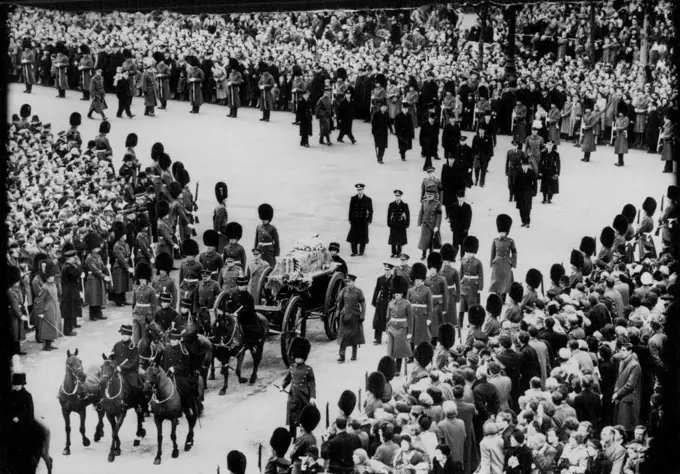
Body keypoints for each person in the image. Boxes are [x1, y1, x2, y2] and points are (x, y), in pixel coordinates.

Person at [280, 337, 316, 439]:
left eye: (299, 358)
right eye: (296, 358)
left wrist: (313, 397)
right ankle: (293, 437)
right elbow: (287, 379)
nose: (297, 360)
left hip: (303, 396)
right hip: (292, 396)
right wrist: (282, 386)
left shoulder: (308, 369)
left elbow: (312, 384)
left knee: (302, 417)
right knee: (292, 417)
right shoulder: (291, 367)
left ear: (304, 358)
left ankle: (304, 436)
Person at [612, 343, 642, 438]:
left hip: (629, 399)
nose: (621, 352)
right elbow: (618, 378)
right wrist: (616, 391)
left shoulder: (635, 365)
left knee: (627, 426)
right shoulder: (622, 362)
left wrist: (618, 394)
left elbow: (630, 384)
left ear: (630, 351)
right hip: (621, 397)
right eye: (621, 350)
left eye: (624, 350)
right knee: (620, 426)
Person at [335, 275, 366, 363]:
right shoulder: (343, 291)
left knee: (354, 336)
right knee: (343, 336)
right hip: (344, 316)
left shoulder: (358, 292)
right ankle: (342, 356)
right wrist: (338, 313)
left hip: (354, 317)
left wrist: (362, 316)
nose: (348, 283)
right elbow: (340, 304)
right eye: (347, 282)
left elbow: (363, 305)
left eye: (349, 282)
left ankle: (354, 355)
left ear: (353, 282)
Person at [385, 276, 412, 373]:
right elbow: (388, 317)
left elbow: (410, 319)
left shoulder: (407, 304)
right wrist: (386, 329)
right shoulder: (391, 303)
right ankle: (391, 368)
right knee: (390, 350)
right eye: (395, 293)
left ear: (402, 294)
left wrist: (410, 332)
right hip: (392, 328)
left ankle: (397, 369)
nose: (396, 295)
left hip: (402, 328)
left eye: (398, 293)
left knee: (399, 350)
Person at [459, 236, 483, 339]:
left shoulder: (478, 262)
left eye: (471, 252)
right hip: (464, 285)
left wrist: (480, 286)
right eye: (468, 252)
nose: (470, 254)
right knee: (462, 303)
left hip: (473, 285)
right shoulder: (463, 262)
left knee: (471, 304)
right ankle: (459, 322)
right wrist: (460, 283)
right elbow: (461, 273)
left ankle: (471, 322)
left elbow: (480, 275)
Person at [488, 214, 517, 301]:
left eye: (503, 232)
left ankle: (503, 296)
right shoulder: (495, 241)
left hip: (506, 263)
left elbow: (514, 252)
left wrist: (513, 262)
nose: (501, 233)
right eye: (500, 232)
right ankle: (497, 295)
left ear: (506, 232)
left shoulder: (510, 241)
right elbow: (492, 252)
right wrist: (491, 263)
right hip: (497, 262)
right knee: (496, 280)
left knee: (505, 281)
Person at [34, 261, 61, 351]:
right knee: (48, 328)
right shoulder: (45, 287)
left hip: (54, 308)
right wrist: (40, 312)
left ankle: (50, 344)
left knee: (53, 326)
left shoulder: (53, 284)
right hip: (47, 309)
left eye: (52, 276)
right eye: (50, 277)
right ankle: (46, 345)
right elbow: (39, 300)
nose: (51, 278)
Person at [110, 323, 143, 392]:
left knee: (136, 386)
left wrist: (122, 368)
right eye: (122, 334)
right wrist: (110, 361)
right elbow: (111, 356)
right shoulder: (117, 345)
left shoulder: (133, 347)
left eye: (126, 334)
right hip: (116, 370)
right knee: (104, 381)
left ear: (130, 335)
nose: (124, 336)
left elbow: (133, 362)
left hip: (129, 372)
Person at [60, 243, 82, 337]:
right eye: (74, 257)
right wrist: (79, 265)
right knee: (69, 310)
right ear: (70, 258)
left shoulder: (68, 266)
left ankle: (71, 325)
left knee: (72, 308)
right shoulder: (68, 267)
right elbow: (77, 274)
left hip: (71, 290)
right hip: (69, 291)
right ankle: (68, 330)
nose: (75, 258)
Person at [371, 262, 394, 345]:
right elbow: (376, 290)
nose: (386, 271)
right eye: (385, 270)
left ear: (391, 270)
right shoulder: (380, 278)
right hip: (381, 302)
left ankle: (389, 337)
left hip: (390, 302)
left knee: (389, 320)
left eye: (388, 270)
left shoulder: (394, 279)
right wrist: (374, 301)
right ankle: (377, 338)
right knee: (378, 320)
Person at [347, 184, 373, 257]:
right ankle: (354, 252)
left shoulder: (368, 199)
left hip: (363, 221)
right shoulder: (353, 198)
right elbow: (351, 210)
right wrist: (350, 219)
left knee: (363, 237)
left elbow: (371, 211)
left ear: (363, 189)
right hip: (355, 221)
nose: (359, 191)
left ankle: (361, 251)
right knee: (353, 236)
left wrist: (369, 220)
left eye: (360, 189)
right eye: (358, 189)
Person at [417, 186, 442, 260]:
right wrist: (419, 223)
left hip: (433, 225)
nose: (429, 197)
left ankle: (431, 256)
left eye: (430, 196)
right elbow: (421, 213)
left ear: (434, 196)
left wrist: (437, 226)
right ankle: (423, 254)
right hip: (425, 224)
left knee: (432, 242)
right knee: (424, 240)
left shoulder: (437, 204)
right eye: (428, 195)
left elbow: (439, 216)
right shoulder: (424, 202)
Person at [447, 190, 472, 262]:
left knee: (463, 244)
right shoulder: (454, 206)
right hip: (456, 228)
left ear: (464, 197)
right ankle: (453, 257)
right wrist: (451, 226)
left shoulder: (467, 207)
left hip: (464, 229)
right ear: (457, 197)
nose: (460, 198)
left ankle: (462, 256)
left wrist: (467, 228)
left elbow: (469, 218)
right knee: (455, 243)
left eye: (462, 197)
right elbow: (451, 217)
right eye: (459, 197)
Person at [255, 204, 280, 268]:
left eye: (265, 220)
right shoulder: (258, 227)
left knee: (270, 267)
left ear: (269, 219)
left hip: (269, 252)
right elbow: (256, 240)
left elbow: (276, 241)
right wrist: (255, 249)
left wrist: (276, 253)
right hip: (260, 249)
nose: (264, 221)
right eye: (263, 220)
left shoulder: (272, 229)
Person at [514, 158, 537, 228]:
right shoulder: (518, 172)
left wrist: (534, 192)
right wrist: (515, 194)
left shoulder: (531, 172)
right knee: (521, 208)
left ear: (528, 165)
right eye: (523, 165)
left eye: (525, 165)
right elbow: (515, 183)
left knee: (527, 207)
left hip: (528, 193)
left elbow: (535, 183)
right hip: (520, 193)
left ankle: (527, 222)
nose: (524, 166)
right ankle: (523, 221)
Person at [387, 190, 410, 258]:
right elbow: (388, 215)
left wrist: (406, 224)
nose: (397, 197)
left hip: (401, 224)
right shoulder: (391, 204)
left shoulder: (404, 205)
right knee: (393, 239)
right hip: (393, 223)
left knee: (400, 239)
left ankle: (398, 253)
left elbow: (407, 215)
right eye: (396, 196)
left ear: (401, 196)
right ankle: (393, 252)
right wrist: (389, 223)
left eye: (398, 196)